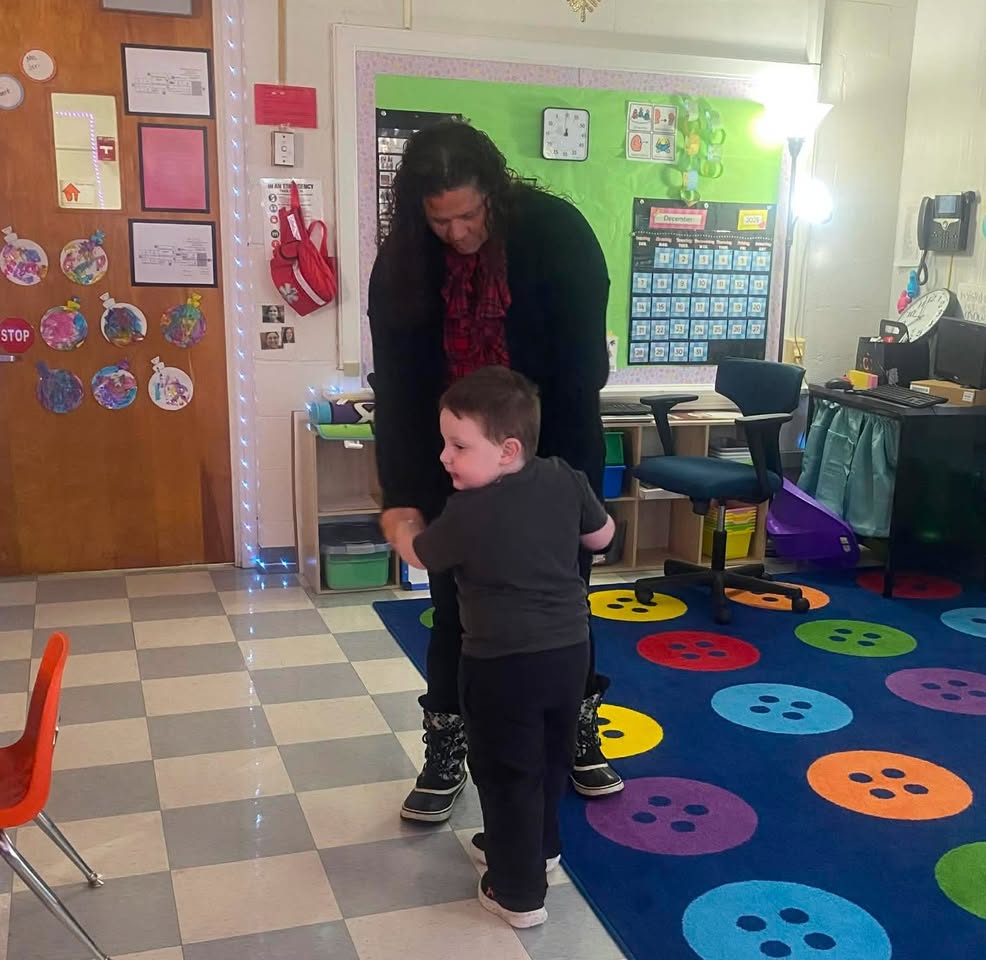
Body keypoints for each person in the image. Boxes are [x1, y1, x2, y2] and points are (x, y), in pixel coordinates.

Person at [369, 119, 623, 823]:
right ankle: (447, 747)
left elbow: (581, 378)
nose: (455, 232)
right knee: (458, 615)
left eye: (469, 215)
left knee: (563, 607)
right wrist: (401, 496)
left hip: (550, 460)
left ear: (496, 191)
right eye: (439, 218)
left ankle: (575, 731)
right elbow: (396, 388)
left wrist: (568, 497)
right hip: (451, 469)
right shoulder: (403, 259)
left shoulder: (557, 235)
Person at [393, 366, 615, 928]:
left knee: (505, 770)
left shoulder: (468, 511)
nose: (445, 457)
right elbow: (603, 538)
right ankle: (540, 849)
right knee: (547, 756)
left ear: (507, 449)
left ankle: (518, 892)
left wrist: (400, 522)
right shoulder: (565, 477)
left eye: (459, 446)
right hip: (570, 655)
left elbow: (422, 555)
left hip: (499, 665)